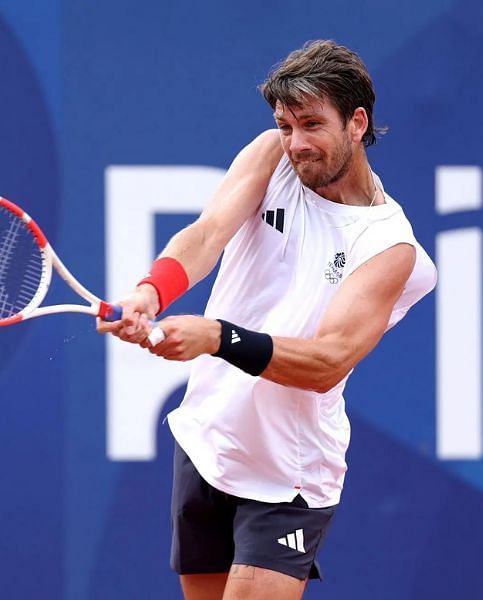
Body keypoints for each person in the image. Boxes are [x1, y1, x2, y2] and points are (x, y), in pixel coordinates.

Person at [98, 40, 437, 600]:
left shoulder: (392, 249)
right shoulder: (270, 156)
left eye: (311, 124)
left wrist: (216, 337)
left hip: (290, 474)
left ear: (358, 122)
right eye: (285, 125)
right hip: (209, 439)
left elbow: (327, 362)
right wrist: (150, 292)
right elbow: (207, 236)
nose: (296, 144)